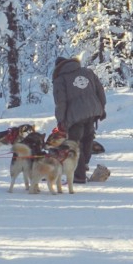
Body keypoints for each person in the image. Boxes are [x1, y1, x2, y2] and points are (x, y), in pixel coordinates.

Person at [51, 55, 107, 185]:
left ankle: (79, 176)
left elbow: (61, 102)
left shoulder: (60, 80)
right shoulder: (87, 72)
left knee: (75, 145)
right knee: (88, 139)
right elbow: (100, 91)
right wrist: (101, 108)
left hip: (74, 117)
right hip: (92, 112)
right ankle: (84, 165)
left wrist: (61, 121)